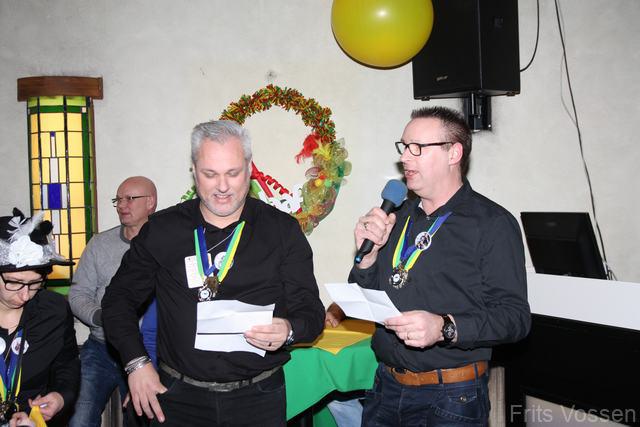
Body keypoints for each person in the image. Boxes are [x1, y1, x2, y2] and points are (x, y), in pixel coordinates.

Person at [102, 120, 325, 426]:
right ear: (194, 172)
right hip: (177, 397)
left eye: (233, 173)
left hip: (258, 397)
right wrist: (136, 364)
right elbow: (117, 301)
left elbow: (311, 312)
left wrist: (288, 329)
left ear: (249, 170)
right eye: (210, 174)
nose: (222, 186)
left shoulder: (282, 231)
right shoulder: (163, 230)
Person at [348, 106, 531, 426]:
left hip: (452, 397)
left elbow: (515, 318)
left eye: (417, 147)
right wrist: (369, 258)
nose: (405, 157)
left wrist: (445, 327)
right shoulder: (397, 216)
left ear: (453, 153)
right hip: (385, 388)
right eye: (404, 146)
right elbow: (368, 300)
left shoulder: (492, 224)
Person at [68, 176, 157, 427]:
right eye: (118, 199)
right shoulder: (100, 244)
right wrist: (102, 317)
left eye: (130, 198)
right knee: (79, 418)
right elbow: (78, 294)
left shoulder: (164, 245)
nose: (122, 205)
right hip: (102, 348)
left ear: (150, 202)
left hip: (149, 352)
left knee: (144, 419)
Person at [0, 208, 80, 427]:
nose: (25, 295)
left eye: (35, 283)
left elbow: (67, 363)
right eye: (14, 282)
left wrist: (61, 396)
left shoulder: (54, 311)